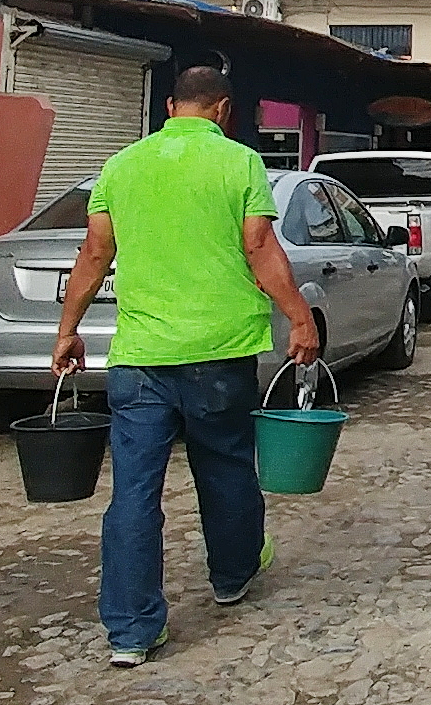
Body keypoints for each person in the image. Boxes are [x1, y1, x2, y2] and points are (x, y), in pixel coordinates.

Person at [52, 65, 320, 668]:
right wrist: (299, 318)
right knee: (224, 466)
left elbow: (95, 252)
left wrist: (68, 332)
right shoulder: (240, 163)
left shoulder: (121, 166)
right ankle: (231, 575)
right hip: (220, 350)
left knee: (133, 494)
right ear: (222, 109)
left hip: (140, 357)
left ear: (170, 105)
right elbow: (258, 248)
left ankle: (131, 631)